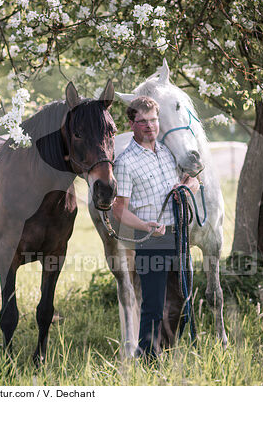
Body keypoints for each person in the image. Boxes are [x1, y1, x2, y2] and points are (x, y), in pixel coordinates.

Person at [112, 96, 198, 358]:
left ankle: (168, 350)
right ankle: (149, 360)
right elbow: (119, 209)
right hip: (151, 238)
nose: (149, 126)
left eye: (153, 120)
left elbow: (194, 181)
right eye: (142, 121)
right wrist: (145, 226)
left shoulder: (167, 151)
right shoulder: (126, 162)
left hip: (179, 234)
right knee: (153, 304)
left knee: (182, 300)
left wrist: (187, 186)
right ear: (132, 123)